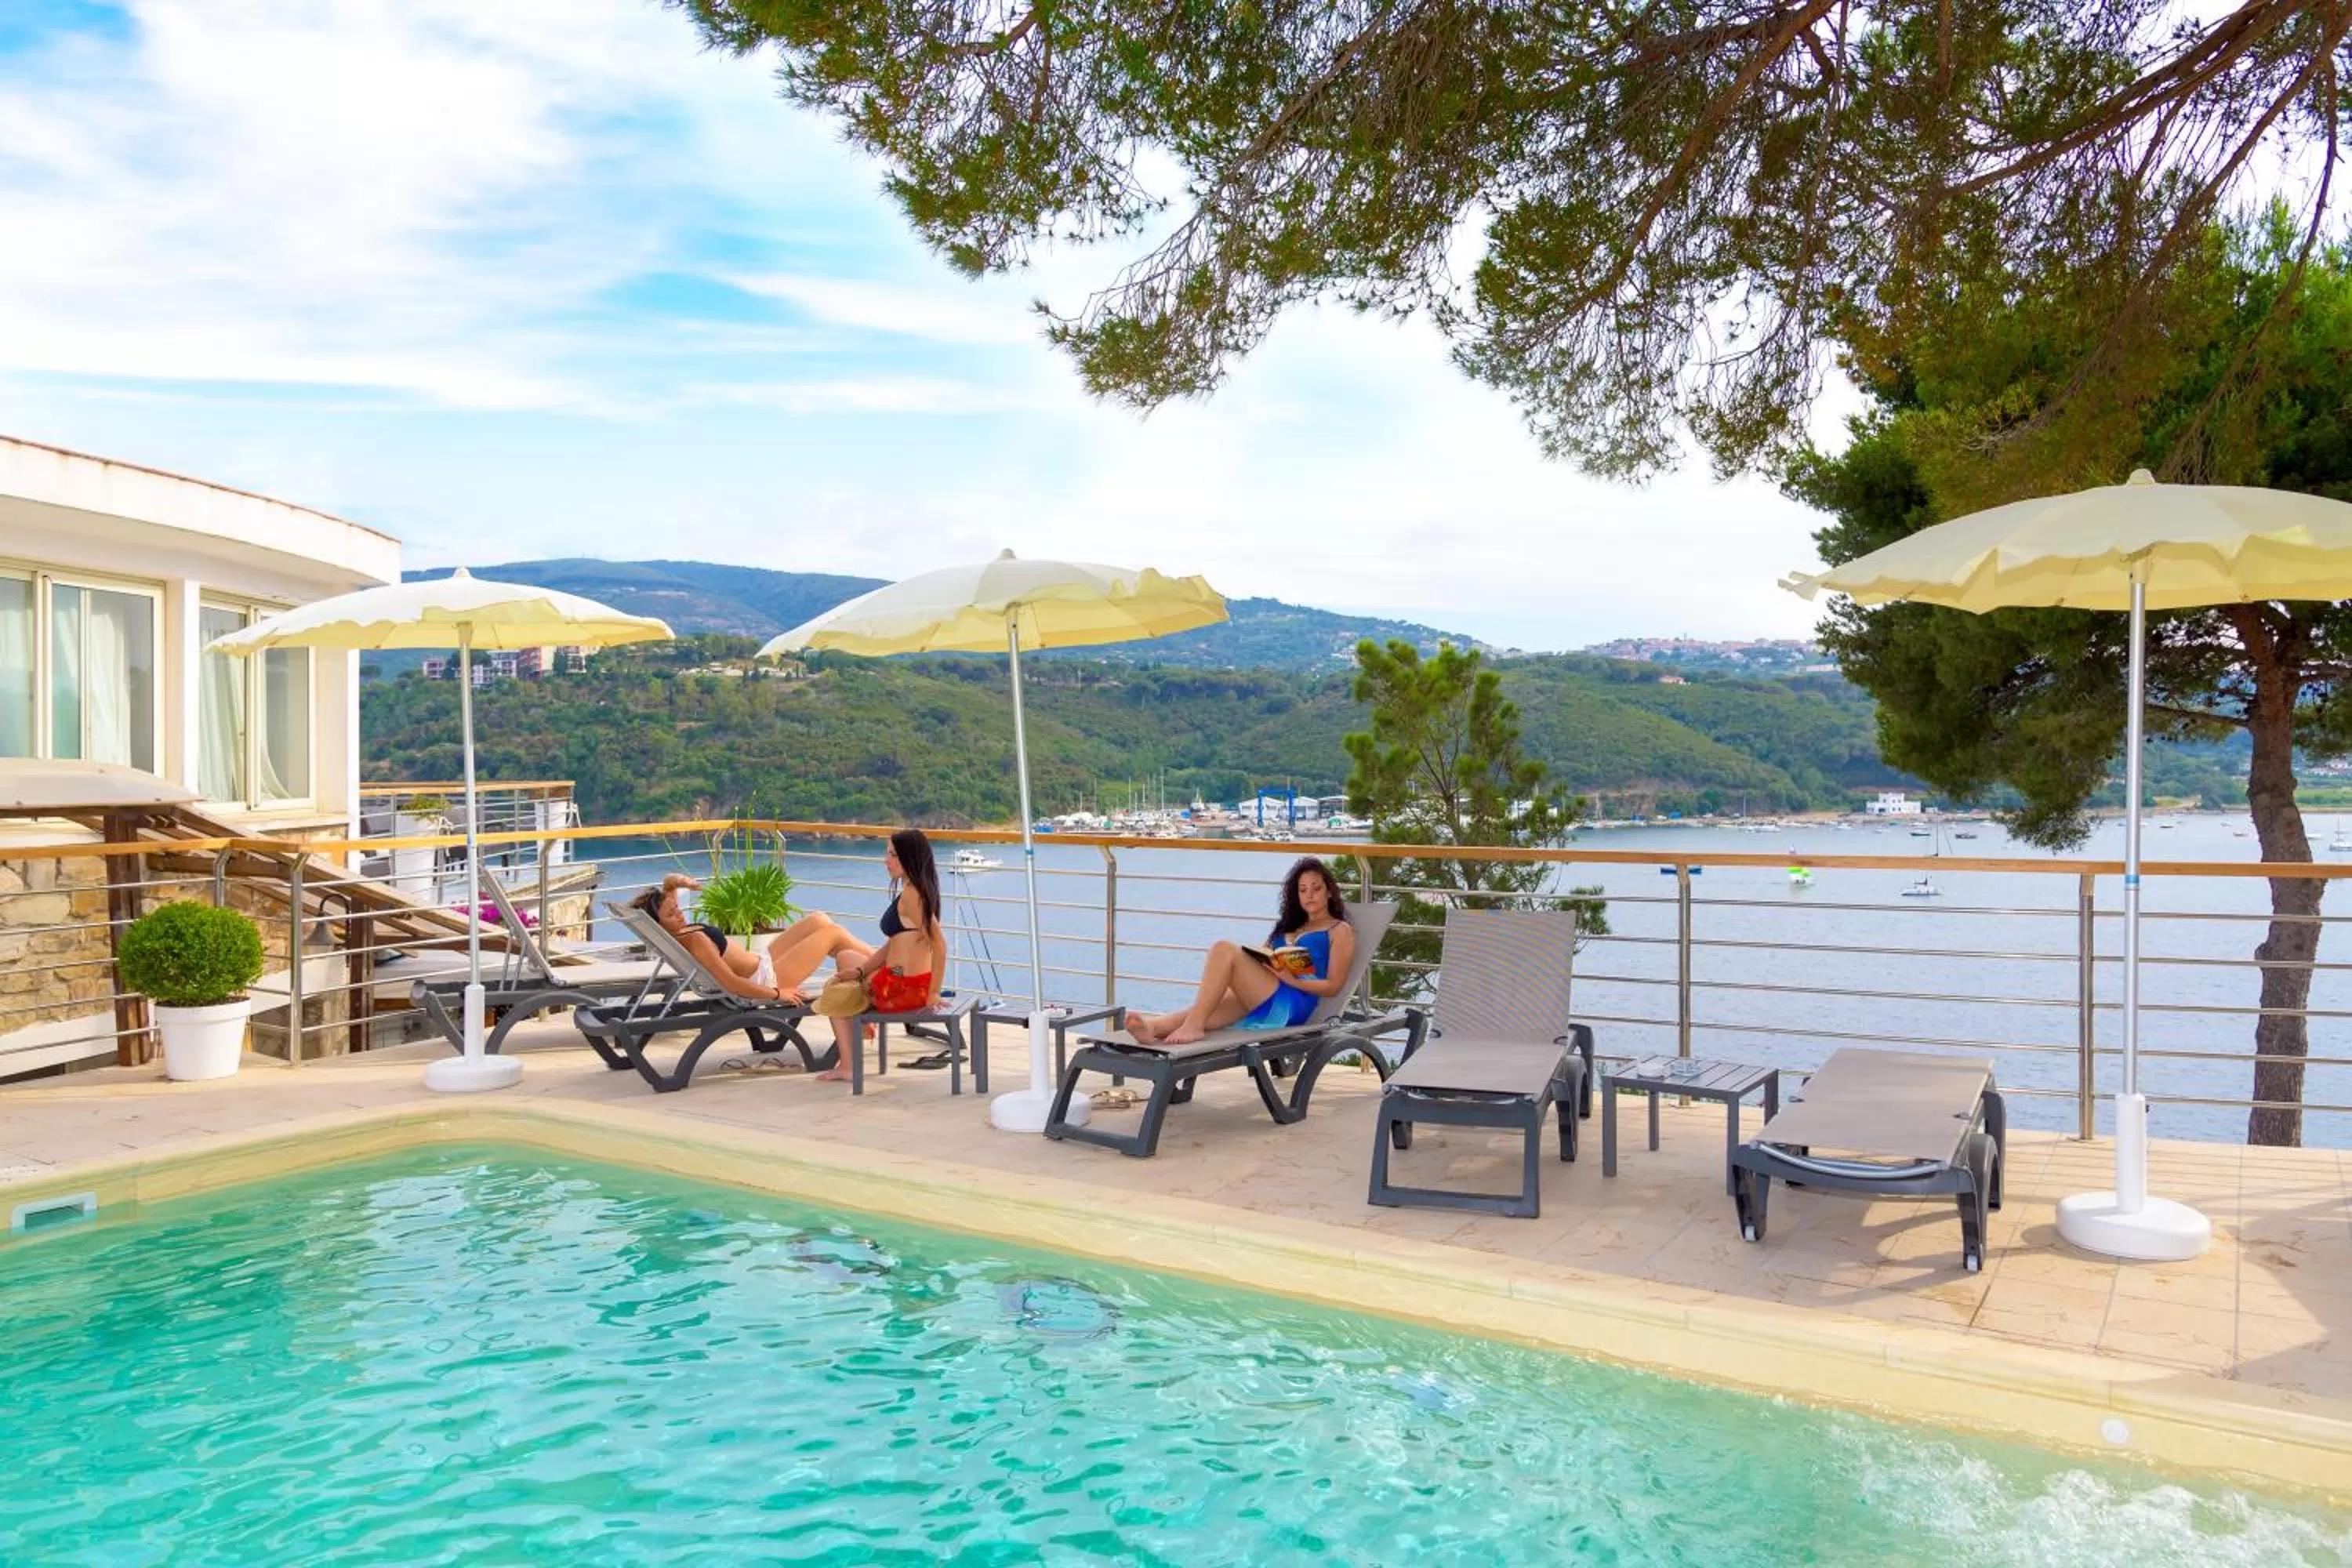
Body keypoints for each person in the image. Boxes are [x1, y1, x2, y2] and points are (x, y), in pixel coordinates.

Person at [1125, 857, 1355, 1047]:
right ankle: (1152, 1028)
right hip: (1267, 990)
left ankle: (1193, 1026)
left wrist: (1292, 980)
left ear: (1329, 892)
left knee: (1223, 949)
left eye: (1316, 888)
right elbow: (1265, 956)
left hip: (1293, 1002)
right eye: (1303, 890)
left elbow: (1333, 986)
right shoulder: (1290, 926)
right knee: (1207, 1008)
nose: (1309, 895)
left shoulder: (1339, 930)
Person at [818, 829, 947, 1082]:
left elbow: (940, 946)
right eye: (888, 854)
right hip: (903, 982)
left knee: (835, 993)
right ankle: (861, 1020)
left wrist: (934, 992)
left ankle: (848, 1066)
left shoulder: (912, 895)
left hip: (900, 989)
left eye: (893, 855)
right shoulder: (915, 890)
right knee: (846, 958)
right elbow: (892, 946)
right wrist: (860, 971)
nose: (886, 861)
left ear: (910, 858)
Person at [628, 873, 870, 1004]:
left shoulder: (674, 932)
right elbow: (731, 983)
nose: (680, 914)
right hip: (767, 979)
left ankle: (874, 965)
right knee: (833, 933)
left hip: (762, 961)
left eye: (677, 908)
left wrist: (682, 883)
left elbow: (669, 885)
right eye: (672, 914)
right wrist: (778, 994)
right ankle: (884, 965)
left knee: (818, 919)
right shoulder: (695, 940)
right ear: (658, 924)